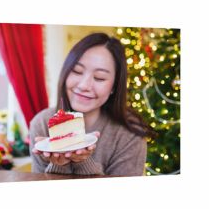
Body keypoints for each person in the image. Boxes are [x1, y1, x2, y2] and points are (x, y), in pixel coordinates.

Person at [29, 32, 156, 176]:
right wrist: (60, 164)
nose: (84, 85)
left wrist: (81, 161)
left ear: (114, 86)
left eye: (99, 78)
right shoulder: (41, 123)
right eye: (77, 71)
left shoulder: (129, 134)